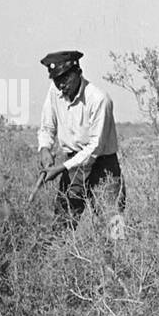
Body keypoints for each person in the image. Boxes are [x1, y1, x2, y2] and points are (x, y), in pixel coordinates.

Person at [35, 50, 127, 228]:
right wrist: (45, 148)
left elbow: (95, 147)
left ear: (78, 72)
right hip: (73, 166)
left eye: (65, 78)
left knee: (112, 227)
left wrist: (60, 168)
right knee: (62, 224)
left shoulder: (99, 99)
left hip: (103, 166)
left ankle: (116, 255)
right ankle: (61, 255)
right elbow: (47, 127)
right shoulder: (54, 91)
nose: (61, 85)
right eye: (56, 80)